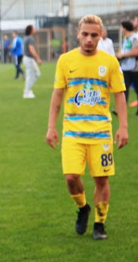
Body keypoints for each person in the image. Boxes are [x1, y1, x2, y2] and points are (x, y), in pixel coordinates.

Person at [46, 14, 129, 241]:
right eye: (85, 34)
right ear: (78, 34)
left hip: (101, 133)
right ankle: (83, 207)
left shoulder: (110, 62)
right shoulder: (65, 60)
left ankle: (99, 224)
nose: (89, 39)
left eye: (94, 35)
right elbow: (57, 95)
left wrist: (123, 127)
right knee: (71, 177)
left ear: (101, 36)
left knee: (102, 180)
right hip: (72, 132)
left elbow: (119, 95)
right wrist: (51, 127)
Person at [115, 21, 138, 117]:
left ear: (125, 28)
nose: (121, 29)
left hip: (136, 67)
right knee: (124, 89)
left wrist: (122, 55)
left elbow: (136, 52)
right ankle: (120, 110)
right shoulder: (126, 38)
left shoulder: (135, 38)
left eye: (121, 27)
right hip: (126, 67)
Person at [22, 24, 42, 99]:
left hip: (26, 58)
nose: (34, 29)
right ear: (30, 30)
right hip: (29, 59)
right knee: (33, 75)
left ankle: (28, 90)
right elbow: (31, 50)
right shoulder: (30, 39)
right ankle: (26, 92)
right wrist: (38, 59)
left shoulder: (25, 38)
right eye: (33, 28)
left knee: (34, 75)